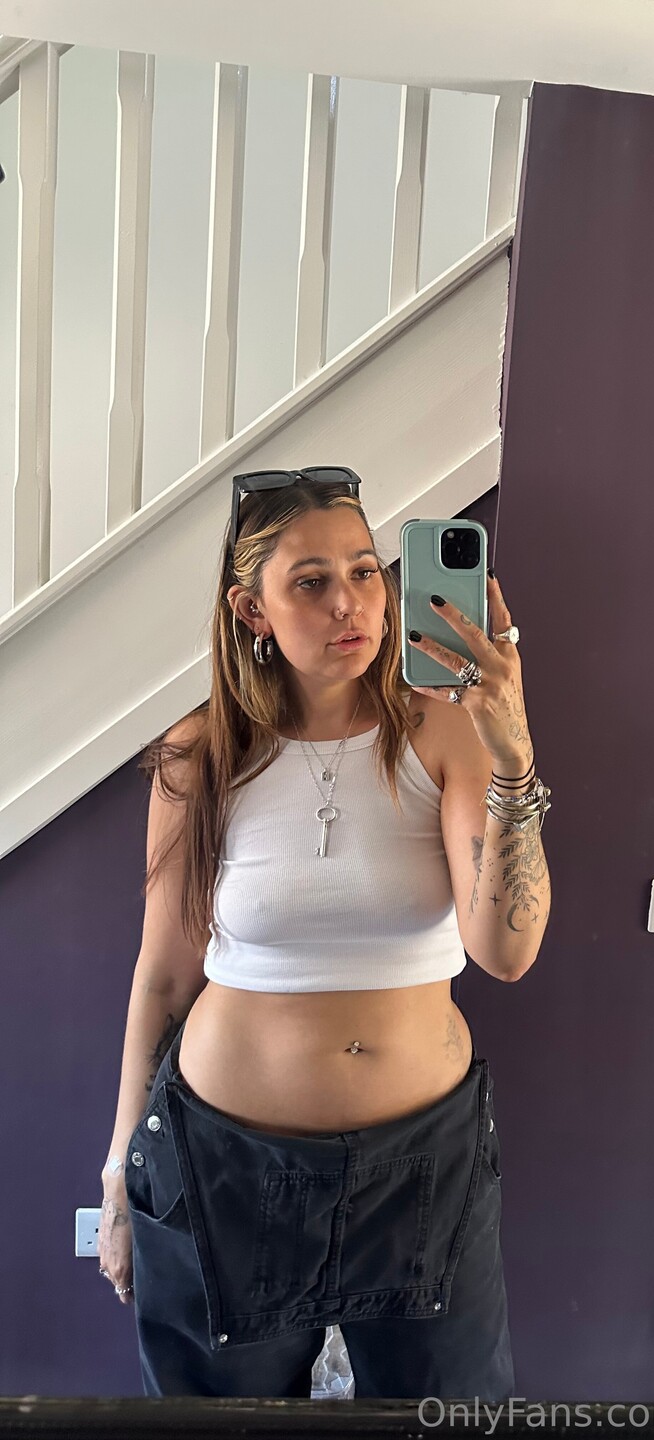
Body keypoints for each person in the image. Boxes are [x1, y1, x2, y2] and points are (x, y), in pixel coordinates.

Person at [96, 467, 551, 1399]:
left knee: (447, 1417)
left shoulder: (447, 732)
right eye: (310, 581)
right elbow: (164, 979)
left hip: (423, 1170)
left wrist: (513, 757)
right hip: (223, 1168)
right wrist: (115, 1179)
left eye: (364, 571)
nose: (350, 602)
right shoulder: (200, 753)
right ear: (251, 610)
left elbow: (506, 952)